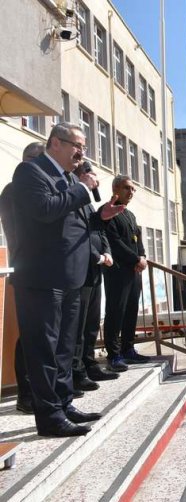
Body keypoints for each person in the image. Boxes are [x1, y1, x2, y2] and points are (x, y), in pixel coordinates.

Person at [11, 123, 104, 437]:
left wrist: (99, 214)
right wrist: (81, 188)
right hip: (42, 277)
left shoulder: (67, 178)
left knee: (65, 347)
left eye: (84, 147)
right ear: (55, 143)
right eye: (76, 145)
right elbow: (45, 210)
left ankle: (64, 403)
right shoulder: (31, 172)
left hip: (70, 277)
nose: (81, 153)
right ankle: (49, 417)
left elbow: (77, 221)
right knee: (45, 351)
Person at [0, 141, 45, 413]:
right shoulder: (14, 190)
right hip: (30, 269)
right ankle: (25, 393)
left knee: (45, 335)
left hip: (46, 271)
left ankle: (43, 391)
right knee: (31, 335)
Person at [71, 162, 118, 390]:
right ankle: (77, 370)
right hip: (82, 270)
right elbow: (77, 238)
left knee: (91, 323)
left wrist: (106, 252)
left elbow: (98, 231)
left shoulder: (89, 204)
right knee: (78, 326)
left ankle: (89, 364)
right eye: (92, 177)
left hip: (95, 271)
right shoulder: (73, 201)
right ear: (80, 177)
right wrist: (97, 257)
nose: (95, 182)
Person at [102, 175, 150, 371]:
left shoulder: (129, 215)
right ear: (115, 189)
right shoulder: (108, 212)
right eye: (126, 188)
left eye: (132, 189)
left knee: (131, 311)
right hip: (117, 272)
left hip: (133, 272)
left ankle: (128, 349)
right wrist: (135, 259)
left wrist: (143, 256)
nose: (130, 192)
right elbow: (114, 242)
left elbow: (136, 239)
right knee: (116, 312)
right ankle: (114, 355)